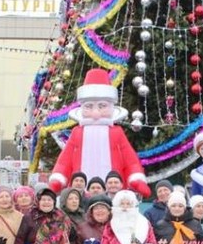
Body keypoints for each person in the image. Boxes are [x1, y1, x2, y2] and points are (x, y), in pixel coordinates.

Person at [48, 67, 151, 198]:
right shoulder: (77, 133)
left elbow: (130, 159)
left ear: (111, 106)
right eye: (89, 106)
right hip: (79, 195)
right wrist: (58, 178)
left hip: (114, 193)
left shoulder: (117, 132)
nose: (96, 113)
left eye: (102, 106)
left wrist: (136, 178)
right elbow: (64, 160)